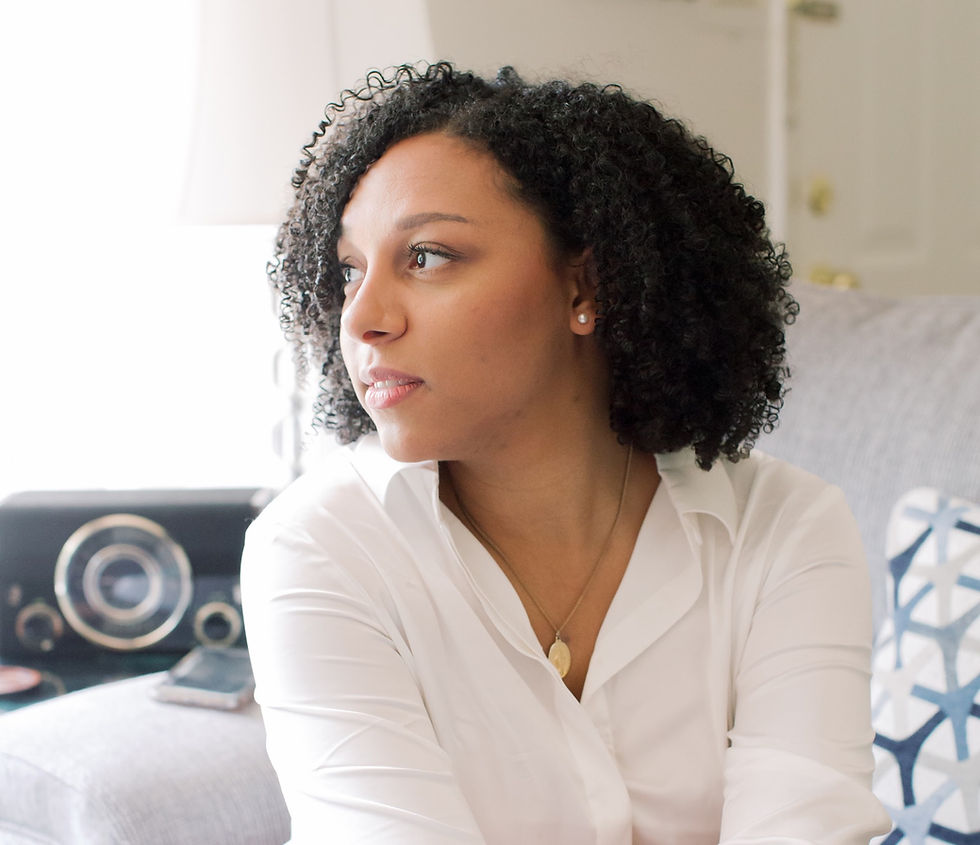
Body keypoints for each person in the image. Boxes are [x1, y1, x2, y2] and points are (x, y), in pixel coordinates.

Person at [241, 62, 890, 843]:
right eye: (351, 270)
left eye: (427, 256)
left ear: (586, 284)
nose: (365, 318)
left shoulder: (785, 532)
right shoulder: (319, 550)